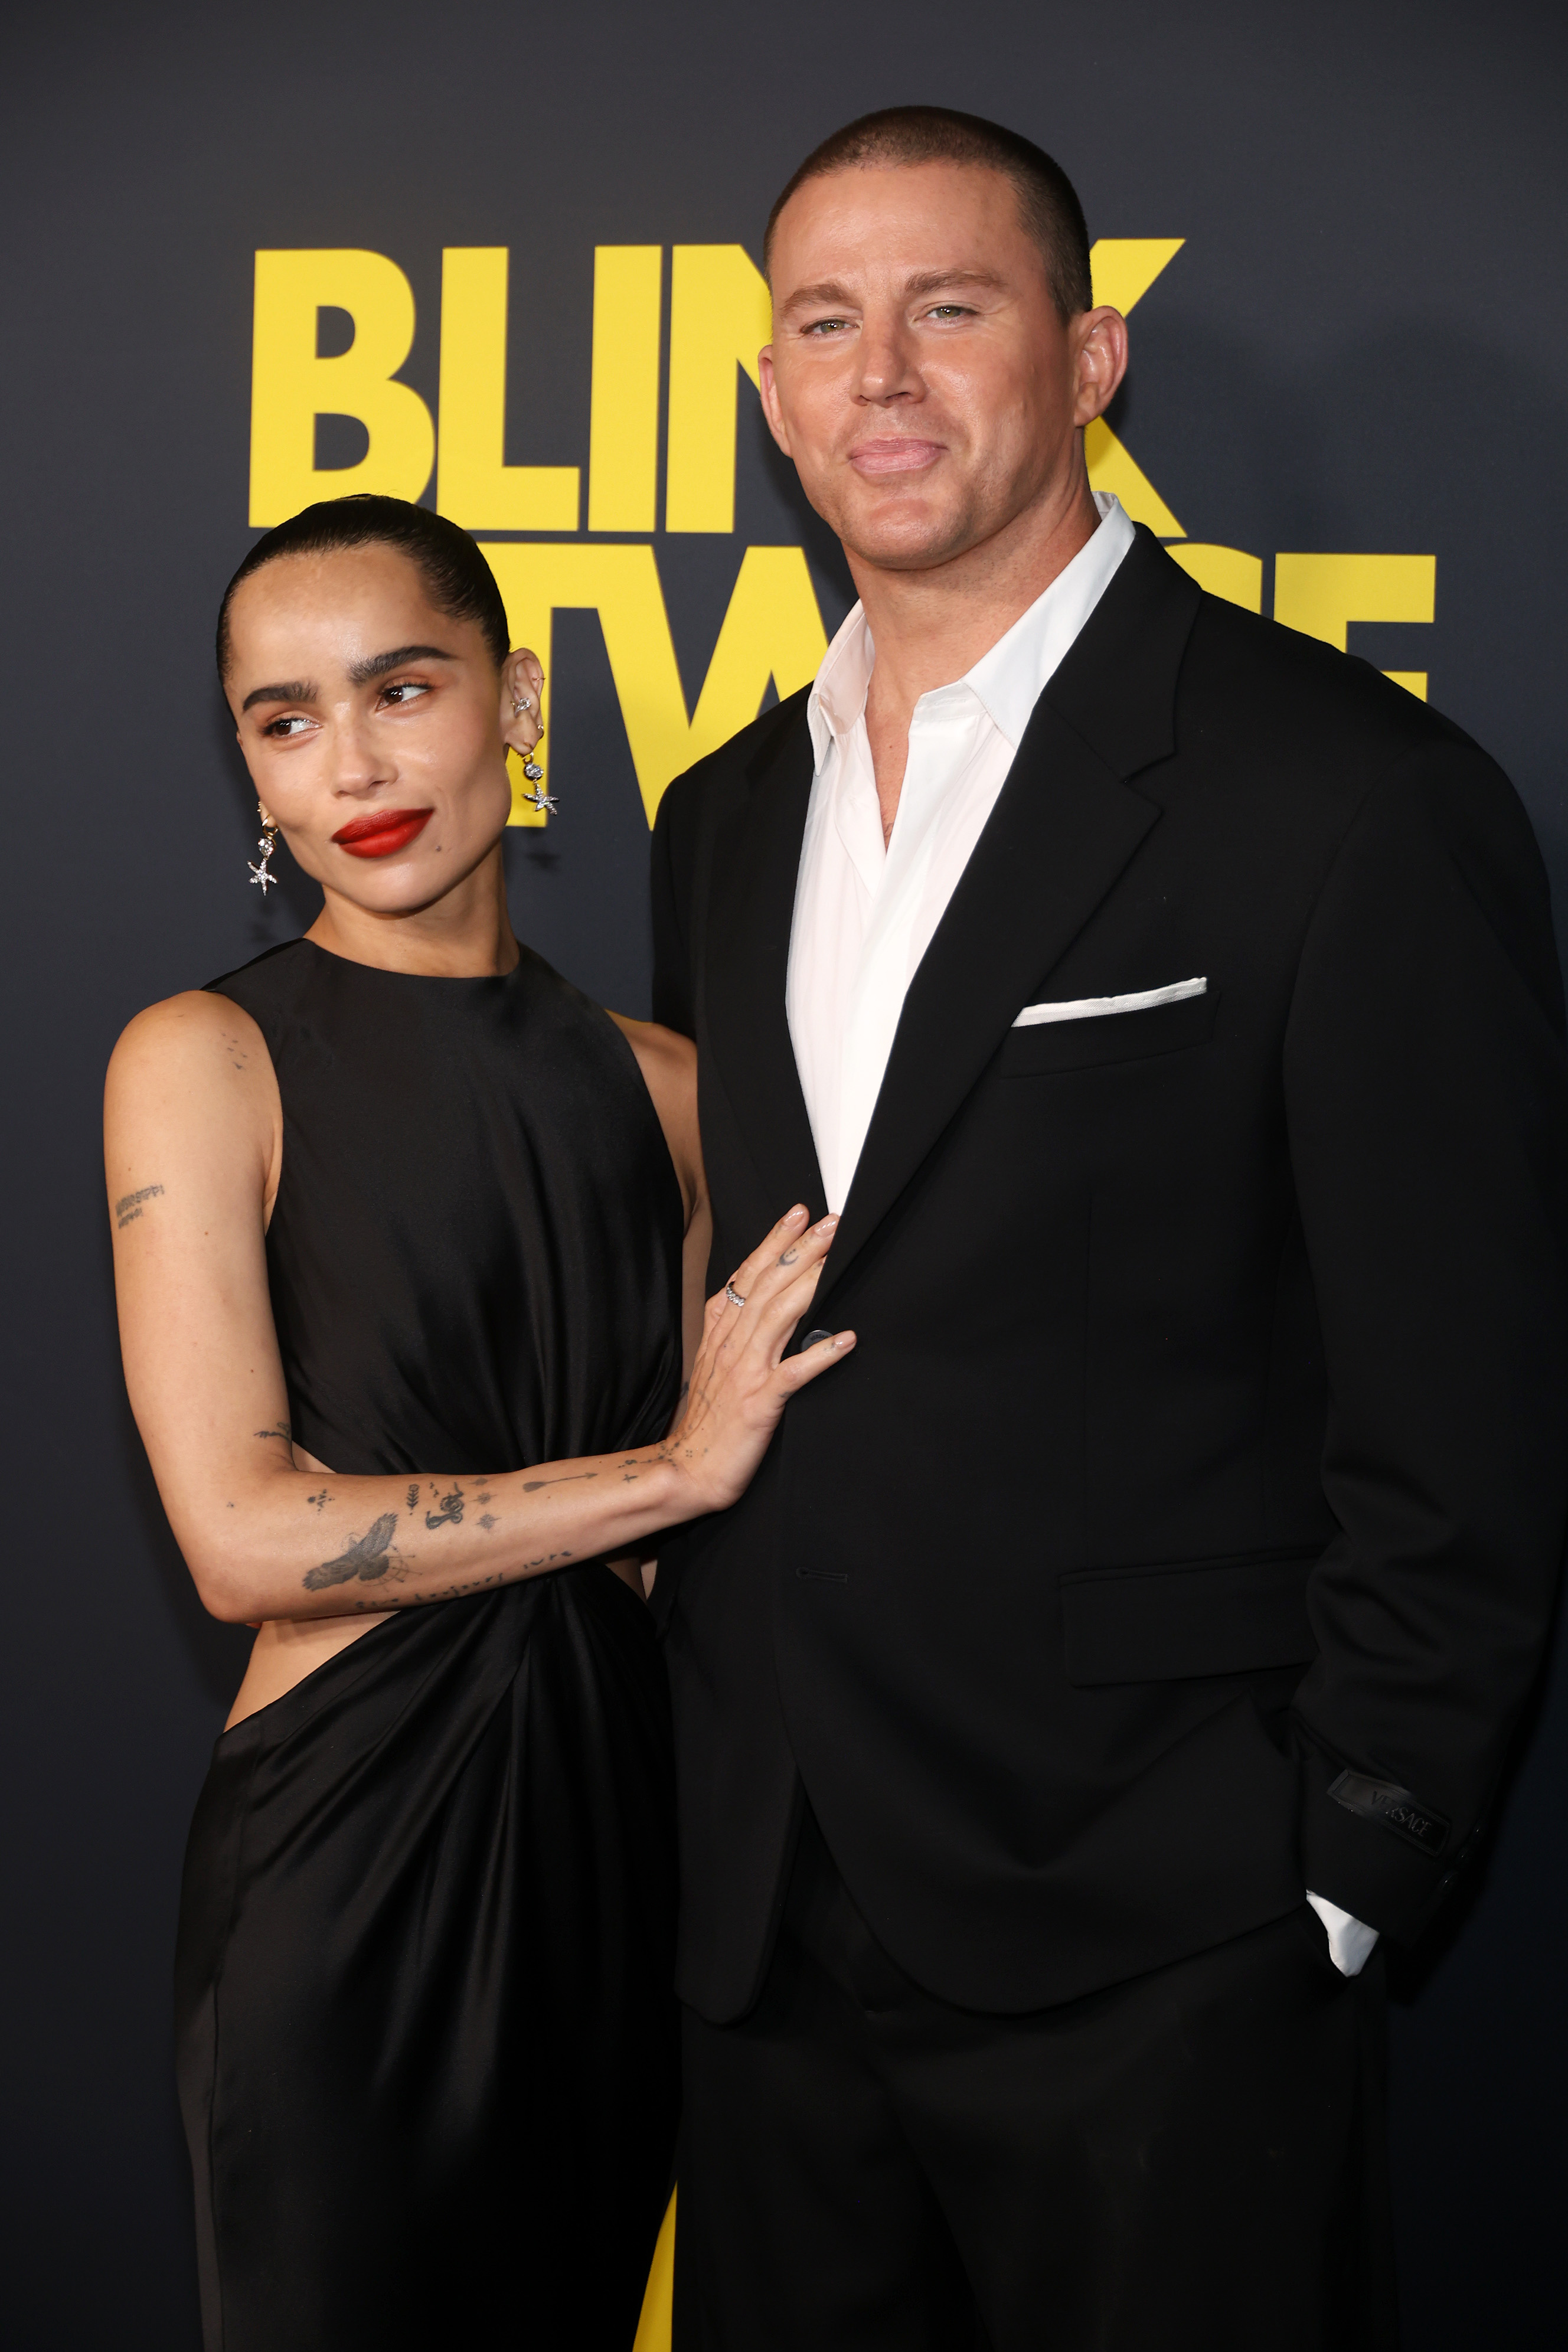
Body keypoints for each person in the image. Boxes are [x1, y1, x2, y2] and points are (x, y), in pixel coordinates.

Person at [650, 106, 1568, 2348]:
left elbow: (1467, 1397)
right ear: (768, 397)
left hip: (1163, 1934)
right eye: (825, 326)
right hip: (771, 1933)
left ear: (1090, 358)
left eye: (947, 311)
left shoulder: (1342, 792)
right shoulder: (722, 813)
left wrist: (1345, 1869)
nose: (880, 377)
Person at [104, 495, 853, 2352]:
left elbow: (703, 1573)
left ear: (517, 702)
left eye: (401, 688)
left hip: (611, 1866)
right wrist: (664, 1472)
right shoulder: (200, 1061)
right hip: (344, 1877)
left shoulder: (669, 1093)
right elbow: (239, 1534)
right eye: (283, 721)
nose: (347, 765)